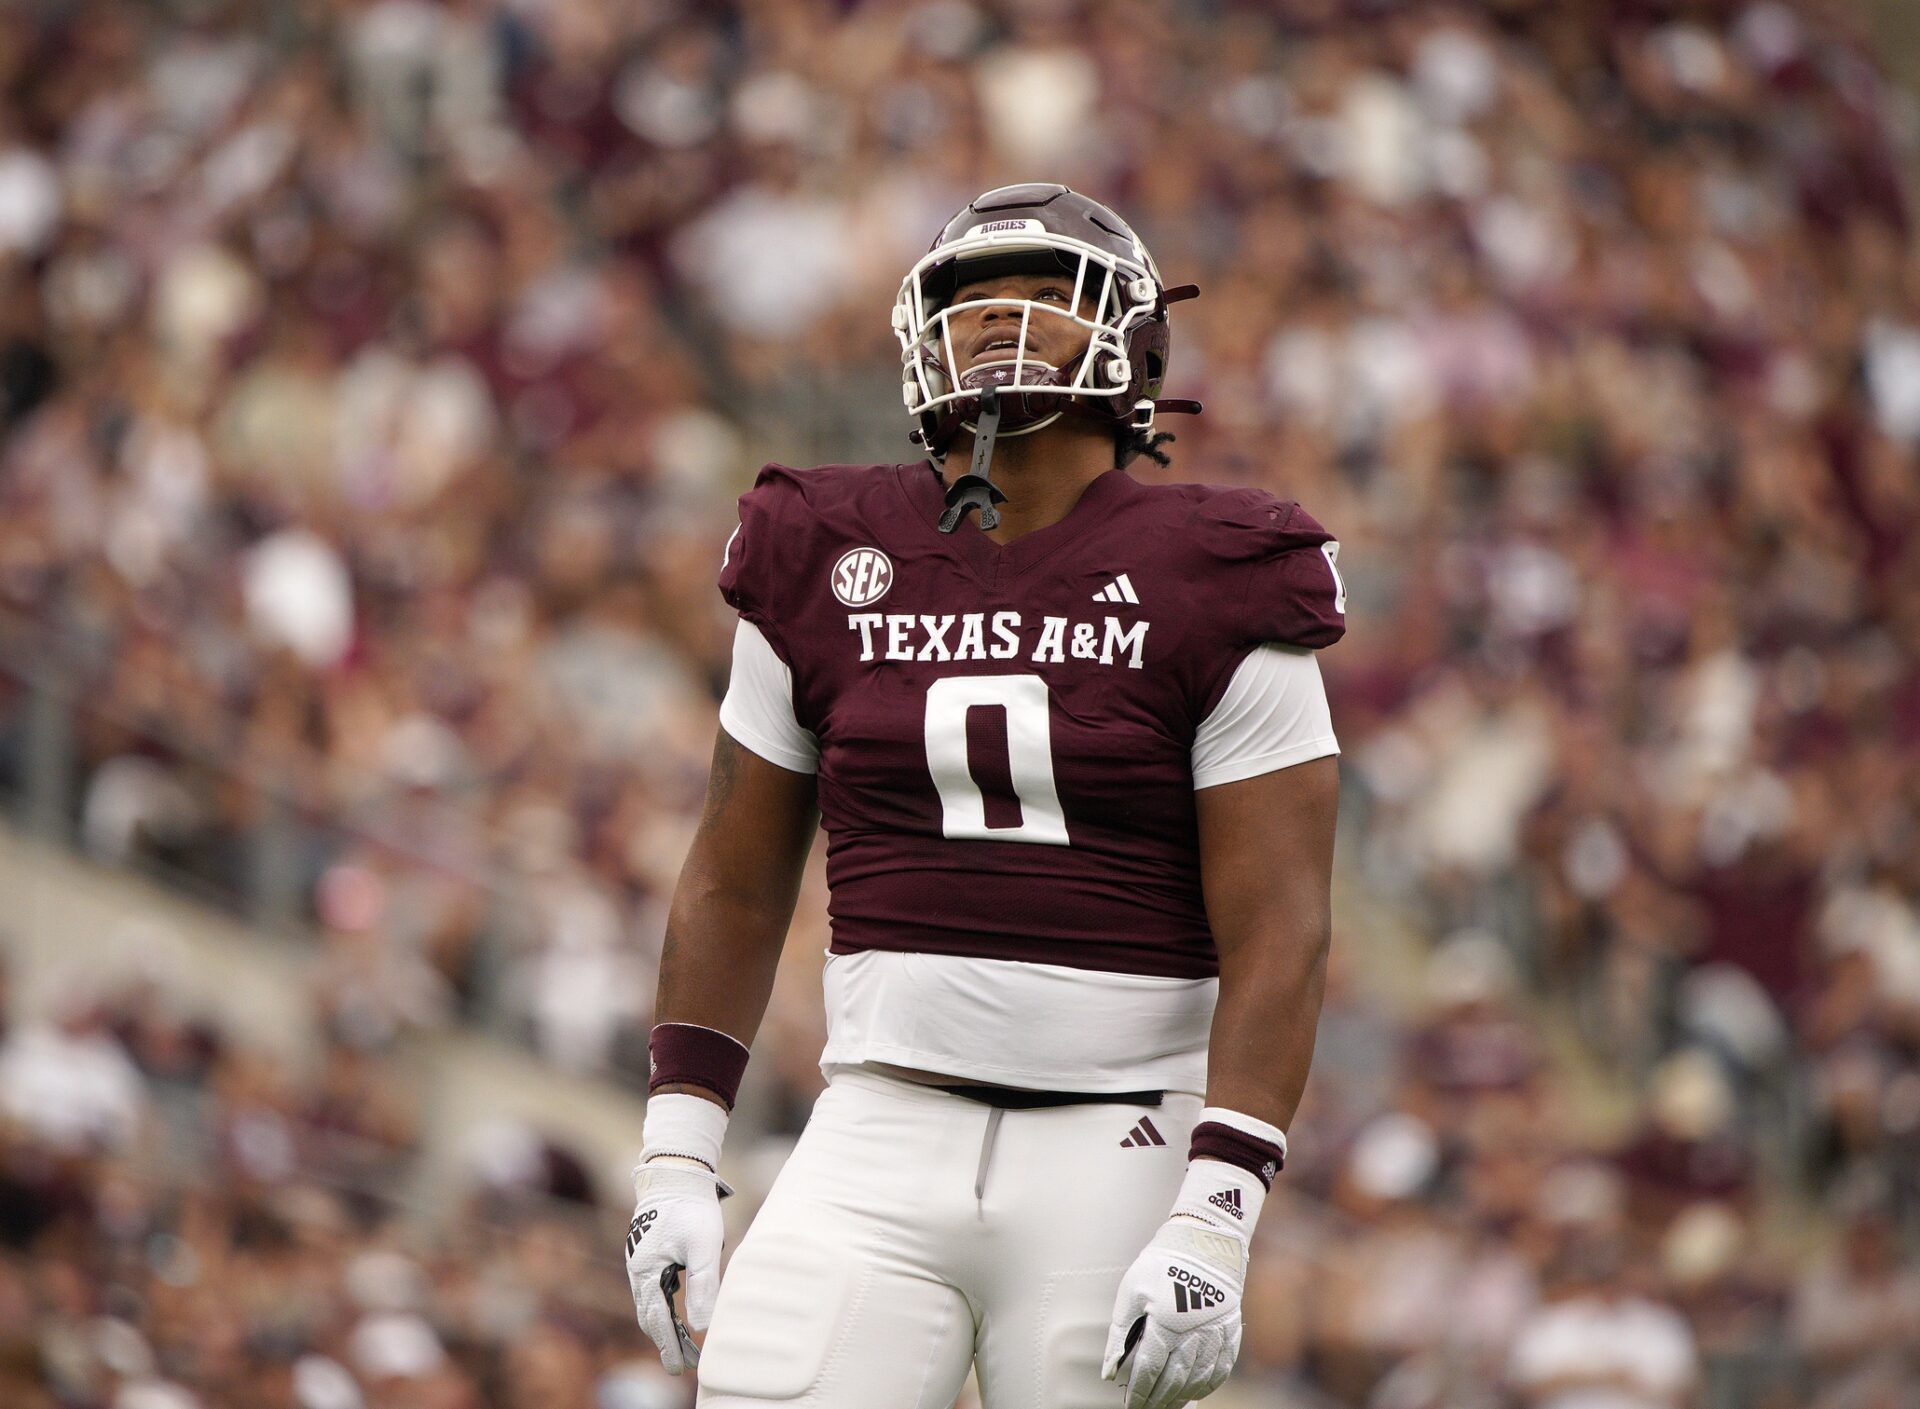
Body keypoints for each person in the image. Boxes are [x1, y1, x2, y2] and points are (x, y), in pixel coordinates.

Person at [623, 183, 1346, 1409]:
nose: (996, 323)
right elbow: (733, 879)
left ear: (1134, 346)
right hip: (876, 1117)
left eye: (1041, 298)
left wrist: (1219, 1204)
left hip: (1118, 1140)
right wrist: (677, 1154)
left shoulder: (1222, 569)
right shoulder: (817, 546)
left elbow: (1281, 925)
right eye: (968, 300)